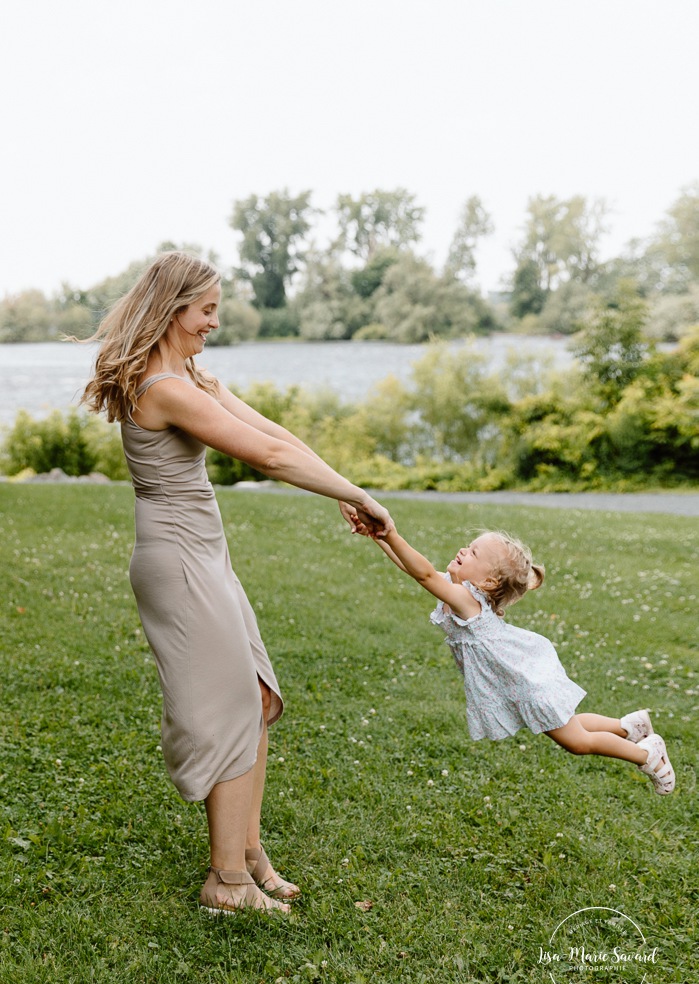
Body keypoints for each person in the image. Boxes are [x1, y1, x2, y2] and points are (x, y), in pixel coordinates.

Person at [80, 251, 394, 915]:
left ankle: (247, 852)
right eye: (206, 310)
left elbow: (270, 434)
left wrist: (341, 486)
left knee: (255, 696)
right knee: (226, 708)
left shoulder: (186, 375)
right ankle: (225, 884)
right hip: (179, 562)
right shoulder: (161, 389)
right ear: (172, 309)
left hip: (202, 555)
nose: (214, 323)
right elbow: (267, 458)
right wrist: (359, 494)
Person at [352, 518, 675, 795]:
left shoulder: (464, 598)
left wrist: (390, 532)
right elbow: (415, 571)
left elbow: (423, 574)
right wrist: (378, 536)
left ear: (489, 581)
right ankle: (627, 726)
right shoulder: (458, 589)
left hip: (524, 681)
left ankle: (647, 754)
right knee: (568, 724)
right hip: (518, 675)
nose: (464, 550)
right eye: (469, 546)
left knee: (576, 742)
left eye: (473, 552)